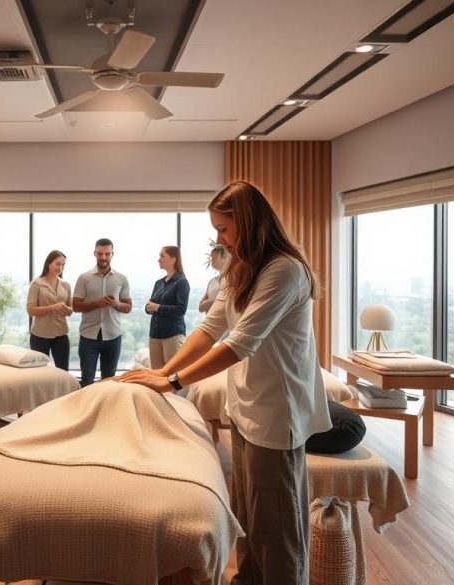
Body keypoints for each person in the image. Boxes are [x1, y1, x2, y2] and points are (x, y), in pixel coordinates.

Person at [118, 181, 331, 585]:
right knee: (248, 519)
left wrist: (176, 381)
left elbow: (240, 343)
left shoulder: (284, 270)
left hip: (276, 413)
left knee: (278, 529)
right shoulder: (241, 267)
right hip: (247, 408)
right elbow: (209, 328)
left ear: (248, 224)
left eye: (224, 229)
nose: (219, 239)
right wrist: (164, 373)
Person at [72, 238, 131, 386]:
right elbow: (76, 306)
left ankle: (106, 409)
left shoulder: (121, 279)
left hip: (113, 336)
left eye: (107, 254)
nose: (103, 257)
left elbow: (128, 307)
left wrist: (116, 304)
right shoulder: (84, 278)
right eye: (100, 254)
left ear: (112, 254)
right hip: (88, 337)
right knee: (87, 379)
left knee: (109, 381)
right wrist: (97, 303)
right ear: (94, 253)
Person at [145, 245, 190, 373]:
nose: (158, 259)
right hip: (154, 336)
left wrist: (157, 307)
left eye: (162, 256)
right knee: (157, 376)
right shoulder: (158, 283)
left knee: (174, 376)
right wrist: (149, 308)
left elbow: (181, 310)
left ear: (173, 259)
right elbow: (149, 306)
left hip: (172, 336)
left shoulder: (182, 282)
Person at [27, 250, 73, 370]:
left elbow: (70, 308)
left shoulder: (66, 285)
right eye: (58, 264)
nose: (60, 267)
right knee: (40, 373)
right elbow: (31, 310)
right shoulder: (36, 284)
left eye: (63, 265)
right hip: (40, 335)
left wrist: (68, 310)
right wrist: (54, 307)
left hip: (61, 334)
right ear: (49, 263)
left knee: (63, 371)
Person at [198, 244, 229, 313]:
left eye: (215, 257)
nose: (211, 260)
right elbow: (200, 307)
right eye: (211, 257)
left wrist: (209, 302)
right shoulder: (212, 282)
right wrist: (213, 300)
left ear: (225, 258)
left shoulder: (231, 280)